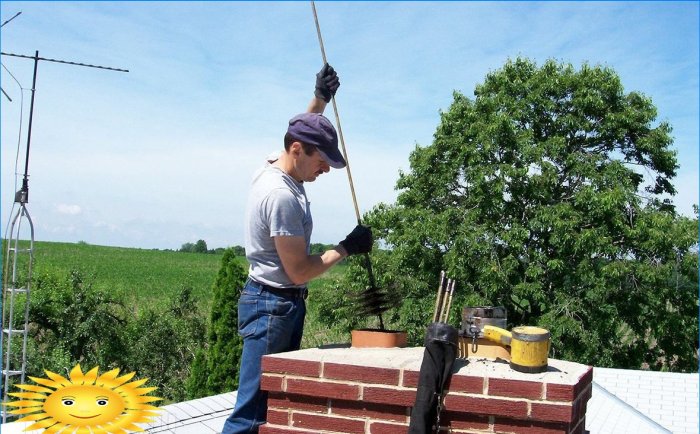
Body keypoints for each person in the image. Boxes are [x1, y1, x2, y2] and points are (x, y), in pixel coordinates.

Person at [221, 64, 373, 434]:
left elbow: (302, 129)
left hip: (276, 303)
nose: (326, 169)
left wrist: (320, 99)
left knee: (272, 403)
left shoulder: (279, 164)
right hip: (272, 306)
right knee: (252, 413)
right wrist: (346, 247)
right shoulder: (280, 195)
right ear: (297, 151)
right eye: (322, 161)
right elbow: (300, 271)